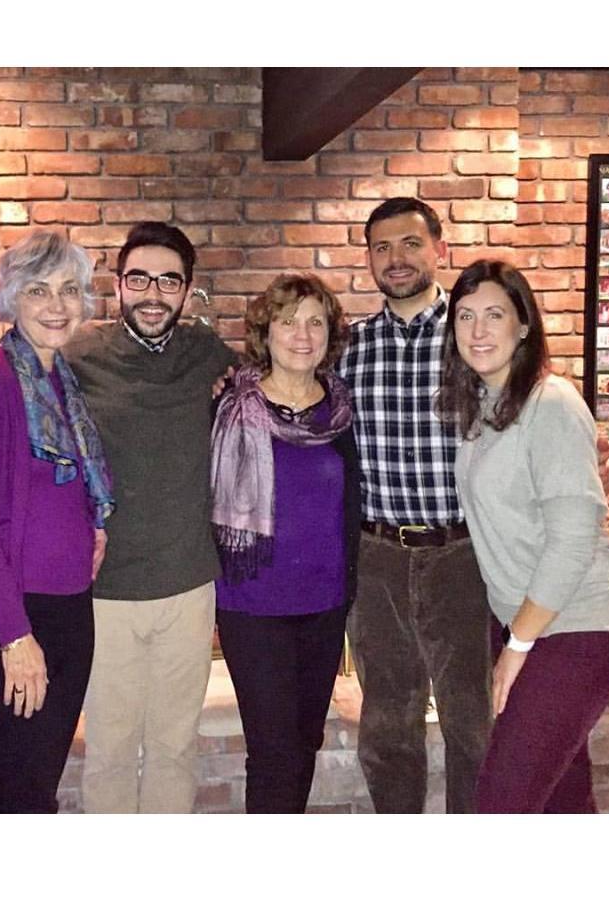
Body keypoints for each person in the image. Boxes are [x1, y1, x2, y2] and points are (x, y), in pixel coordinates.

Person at [341, 197, 609, 814]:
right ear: (368, 260)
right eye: (381, 247)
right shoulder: (348, 349)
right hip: (378, 553)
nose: (396, 258)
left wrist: (598, 452)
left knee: (476, 719)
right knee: (387, 722)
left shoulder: (472, 338)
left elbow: (541, 414)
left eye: (411, 243)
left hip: (465, 556)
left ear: (439, 249)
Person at [436, 259, 609, 813]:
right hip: (534, 625)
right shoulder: (485, 406)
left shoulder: (551, 403)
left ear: (523, 325)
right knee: (562, 800)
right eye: (465, 316)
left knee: (503, 804)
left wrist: (517, 646)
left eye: (494, 315)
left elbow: (573, 539)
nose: (478, 330)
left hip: (579, 629)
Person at [63, 221, 236, 813]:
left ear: (187, 290)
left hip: (188, 584)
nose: (153, 294)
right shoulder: (78, 357)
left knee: (174, 748)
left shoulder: (207, 355)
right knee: (110, 749)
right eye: (139, 279)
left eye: (169, 281)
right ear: (118, 285)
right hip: (105, 590)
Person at [0, 231, 114, 813]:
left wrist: (93, 525)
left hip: (68, 611)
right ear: (12, 298)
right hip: (9, 618)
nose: (57, 305)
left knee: (36, 786)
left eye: (69, 290)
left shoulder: (61, 381)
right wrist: (15, 635)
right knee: (23, 792)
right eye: (39, 290)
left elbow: (72, 482)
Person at [210, 272, 359, 813]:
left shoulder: (343, 411)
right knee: (272, 750)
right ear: (265, 331)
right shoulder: (228, 406)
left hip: (324, 603)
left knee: (305, 742)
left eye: (316, 322)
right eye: (288, 321)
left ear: (330, 335)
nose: (303, 334)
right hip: (252, 606)